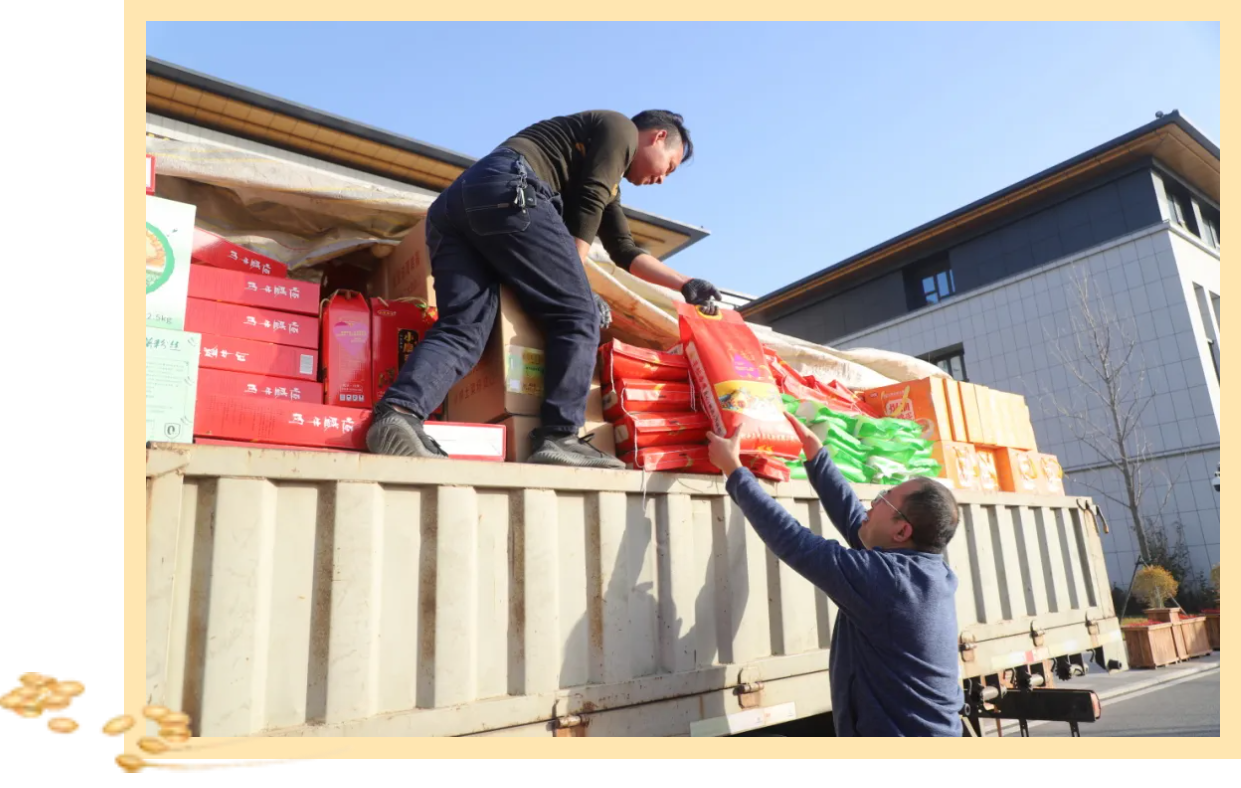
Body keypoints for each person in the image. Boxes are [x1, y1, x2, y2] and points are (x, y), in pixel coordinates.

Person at [367, 110, 721, 468]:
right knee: (577, 314)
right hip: (510, 189)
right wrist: (578, 287)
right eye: (669, 166)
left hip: (454, 207)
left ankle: (397, 415)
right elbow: (589, 201)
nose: (661, 180)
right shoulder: (621, 128)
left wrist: (686, 284)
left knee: (464, 328)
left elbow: (624, 249)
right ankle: (560, 436)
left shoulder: (606, 173)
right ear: (657, 137)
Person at [706, 411, 965, 736]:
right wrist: (816, 456)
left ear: (902, 531)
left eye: (884, 499)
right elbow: (856, 521)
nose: (873, 503)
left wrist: (734, 471)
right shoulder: (925, 571)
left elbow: (796, 542)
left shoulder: (891, 584)